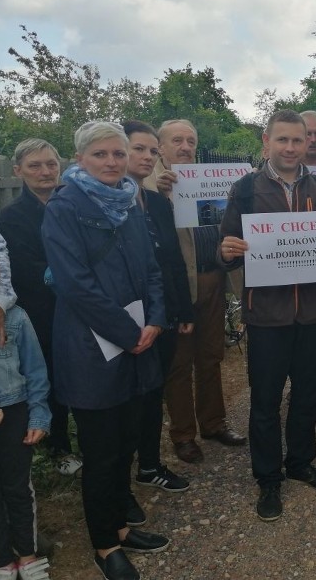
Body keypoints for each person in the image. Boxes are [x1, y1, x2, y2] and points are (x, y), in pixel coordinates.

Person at [42, 121, 170, 580]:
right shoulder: (65, 206)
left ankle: (119, 526)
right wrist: (128, 331)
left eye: (118, 154)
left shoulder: (130, 201)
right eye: (101, 155)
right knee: (101, 453)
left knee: (126, 444)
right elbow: (75, 284)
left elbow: (152, 267)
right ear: (80, 159)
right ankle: (103, 546)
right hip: (92, 349)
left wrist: (155, 319)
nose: (112, 163)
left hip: (139, 340)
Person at [220, 110, 316, 521]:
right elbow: (225, 249)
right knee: (265, 401)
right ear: (267, 141)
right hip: (267, 317)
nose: (292, 148)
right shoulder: (243, 190)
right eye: (283, 141)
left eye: (298, 141)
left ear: (307, 144)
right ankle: (268, 478)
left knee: (308, 395)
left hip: (312, 314)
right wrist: (226, 253)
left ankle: (299, 463)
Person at [144, 119, 246, 464]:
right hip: (178, 287)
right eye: (177, 140)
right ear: (161, 146)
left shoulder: (205, 178)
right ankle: (183, 435)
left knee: (211, 356)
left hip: (213, 278)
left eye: (191, 140)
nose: (185, 147)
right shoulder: (149, 183)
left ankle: (214, 423)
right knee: (178, 363)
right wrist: (159, 193)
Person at [0, 139, 84, 478]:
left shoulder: (73, 203)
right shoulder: (11, 217)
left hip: (82, 306)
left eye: (50, 164)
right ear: (18, 171)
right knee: (50, 377)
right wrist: (70, 275)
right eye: (35, 165)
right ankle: (59, 447)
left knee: (84, 372)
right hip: (42, 310)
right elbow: (23, 269)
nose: (45, 171)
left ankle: (92, 439)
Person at [123, 121, 193, 504]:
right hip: (124, 322)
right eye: (138, 149)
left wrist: (182, 310)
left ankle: (148, 466)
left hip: (161, 316)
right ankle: (120, 488)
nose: (146, 157)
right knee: (125, 403)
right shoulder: (104, 200)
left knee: (152, 394)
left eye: (151, 151)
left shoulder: (158, 203)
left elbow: (172, 263)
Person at [0, 300, 52, 580]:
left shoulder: (16, 317)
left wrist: (39, 415)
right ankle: (2, 560)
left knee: (17, 486)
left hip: (14, 411)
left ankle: (27, 554)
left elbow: (35, 369)